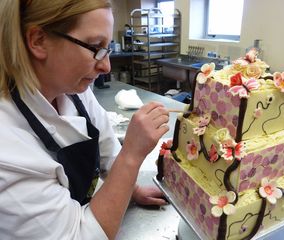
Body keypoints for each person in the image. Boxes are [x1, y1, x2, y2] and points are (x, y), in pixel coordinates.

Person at [0, 0, 170, 239]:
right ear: (38, 40)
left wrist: (133, 189)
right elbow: (78, 235)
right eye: (94, 47)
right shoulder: (7, 144)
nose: (106, 66)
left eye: (107, 48)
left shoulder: (74, 91)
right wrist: (132, 154)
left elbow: (108, 153)